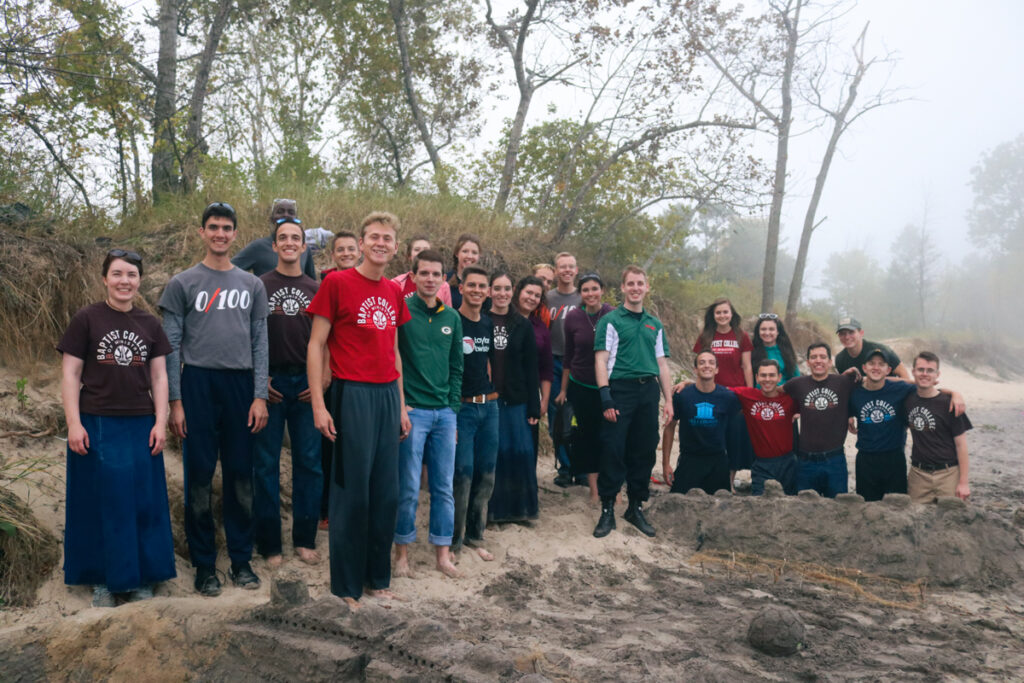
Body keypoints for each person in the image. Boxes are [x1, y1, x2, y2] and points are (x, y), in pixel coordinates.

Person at [159, 201, 269, 596]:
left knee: (241, 476)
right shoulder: (182, 283)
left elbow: (260, 342)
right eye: (213, 227)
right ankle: (204, 564)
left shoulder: (251, 285)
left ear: (235, 234)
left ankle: (241, 559)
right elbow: (170, 346)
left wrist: (260, 395)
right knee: (199, 477)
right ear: (202, 232)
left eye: (226, 228)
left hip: (240, 385)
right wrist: (175, 401)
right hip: (197, 384)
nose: (220, 234)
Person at [306, 211, 412, 609]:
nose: (381, 243)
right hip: (351, 394)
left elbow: (394, 350)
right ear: (362, 243)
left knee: (385, 494)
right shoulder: (337, 283)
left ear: (395, 247)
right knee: (351, 495)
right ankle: (346, 588)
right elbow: (316, 344)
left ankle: (376, 580)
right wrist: (319, 405)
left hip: (387, 396)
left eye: (388, 238)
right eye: (374, 237)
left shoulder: (394, 291)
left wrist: (401, 404)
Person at [59, 249, 175, 607]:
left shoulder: (150, 323)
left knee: (143, 501)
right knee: (102, 501)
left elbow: (159, 376)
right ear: (105, 279)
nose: (125, 281)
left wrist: (160, 422)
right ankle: (105, 580)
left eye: (131, 275)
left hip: (141, 423)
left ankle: (142, 578)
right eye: (118, 274)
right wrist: (74, 423)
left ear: (139, 281)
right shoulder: (87, 318)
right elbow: (70, 373)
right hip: (97, 422)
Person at [252, 218, 322, 567]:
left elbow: (327, 340)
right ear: (275, 245)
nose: (290, 242)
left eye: (296, 237)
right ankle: (270, 545)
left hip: (306, 385)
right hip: (271, 383)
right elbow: (248, 336)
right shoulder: (259, 286)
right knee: (265, 465)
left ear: (304, 246)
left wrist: (321, 380)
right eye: (284, 238)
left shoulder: (316, 288)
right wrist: (258, 381)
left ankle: (304, 539)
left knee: (309, 462)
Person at [393, 249, 463, 579]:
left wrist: (453, 408)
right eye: (424, 273)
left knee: (443, 488)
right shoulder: (402, 309)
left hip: (444, 414)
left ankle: (442, 555)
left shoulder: (452, 318)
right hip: (414, 412)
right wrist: (402, 405)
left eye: (436, 274)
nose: (430, 279)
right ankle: (402, 555)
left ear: (444, 279)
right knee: (408, 488)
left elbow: (457, 367)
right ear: (413, 276)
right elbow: (393, 358)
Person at [593, 265, 673, 539]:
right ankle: (607, 509)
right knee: (613, 448)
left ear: (647, 287)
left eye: (640, 283)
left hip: (648, 392)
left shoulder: (654, 324)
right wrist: (606, 397)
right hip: (620, 390)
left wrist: (668, 400)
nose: (636, 288)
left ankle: (635, 506)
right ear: (623, 288)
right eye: (631, 283)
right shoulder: (610, 321)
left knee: (644, 449)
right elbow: (601, 360)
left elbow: (662, 364)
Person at [451, 265, 499, 561]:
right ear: (461, 288)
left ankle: (475, 535)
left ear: (488, 291)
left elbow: (489, 362)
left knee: (486, 474)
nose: (477, 290)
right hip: (462, 408)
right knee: (462, 474)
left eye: (482, 286)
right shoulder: (451, 320)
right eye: (472, 285)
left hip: (489, 407)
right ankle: (454, 541)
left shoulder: (488, 324)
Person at [487, 272, 541, 524]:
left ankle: (521, 511)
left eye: (507, 288)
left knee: (519, 453)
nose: (502, 293)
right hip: (487, 399)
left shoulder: (522, 324)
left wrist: (534, 405)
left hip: (516, 400)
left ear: (513, 292)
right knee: (494, 454)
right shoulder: (480, 319)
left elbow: (532, 368)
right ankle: (493, 512)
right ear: (489, 291)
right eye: (497, 288)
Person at [555, 273, 614, 504]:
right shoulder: (573, 317)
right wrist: (563, 390)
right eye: (586, 290)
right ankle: (594, 491)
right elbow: (568, 356)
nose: (591, 294)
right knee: (587, 438)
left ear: (602, 290)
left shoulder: (612, 315)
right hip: (580, 385)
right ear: (580, 293)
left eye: (594, 289)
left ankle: (614, 490)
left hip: (608, 387)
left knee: (610, 438)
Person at [318, 230, 359, 529]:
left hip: (360, 379)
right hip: (333, 377)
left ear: (360, 251)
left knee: (353, 447)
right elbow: (322, 336)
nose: (346, 253)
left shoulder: (368, 283)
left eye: (350, 248)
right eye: (340, 249)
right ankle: (326, 510)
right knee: (329, 447)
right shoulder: (328, 283)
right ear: (333, 255)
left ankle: (350, 507)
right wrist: (325, 368)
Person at [783, 343, 859, 498]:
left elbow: (874, 383)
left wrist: (851, 414)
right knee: (806, 507)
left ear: (830, 362)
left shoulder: (844, 381)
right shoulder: (797, 383)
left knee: (838, 506)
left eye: (823, 357)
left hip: (835, 460)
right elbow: (774, 391)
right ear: (808, 362)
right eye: (814, 357)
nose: (818, 360)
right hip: (806, 461)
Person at [661, 351, 740, 496]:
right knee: (680, 503)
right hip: (689, 459)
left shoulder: (728, 397)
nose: (707, 366)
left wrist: (732, 469)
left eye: (711, 363)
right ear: (695, 369)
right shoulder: (682, 395)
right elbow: (670, 427)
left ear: (717, 369)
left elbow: (734, 433)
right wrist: (665, 464)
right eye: (702, 363)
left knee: (720, 505)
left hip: (718, 461)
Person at [694, 298, 754, 485]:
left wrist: (750, 393)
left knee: (733, 437)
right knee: (711, 435)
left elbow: (747, 366)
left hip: (735, 395)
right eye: (718, 312)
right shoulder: (706, 336)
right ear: (713, 315)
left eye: (725, 312)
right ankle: (709, 477)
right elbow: (699, 364)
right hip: (711, 393)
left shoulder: (741, 336)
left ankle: (729, 481)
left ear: (732, 314)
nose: (722, 315)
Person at [904, 352, 972, 503]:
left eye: (930, 370)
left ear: (937, 374)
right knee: (915, 515)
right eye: (920, 369)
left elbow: (961, 445)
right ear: (913, 371)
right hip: (918, 475)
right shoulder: (908, 400)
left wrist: (963, 483)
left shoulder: (950, 403)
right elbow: (889, 380)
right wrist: (864, 378)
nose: (925, 374)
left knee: (952, 515)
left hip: (948, 474)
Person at [731, 360, 798, 495]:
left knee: (790, 503)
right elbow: (718, 390)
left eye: (772, 375)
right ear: (757, 378)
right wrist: (691, 384)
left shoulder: (790, 398)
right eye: (763, 375)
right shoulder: (747, 395)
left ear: (779, 377)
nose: (767, 379)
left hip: (788, 463)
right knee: (760, 504)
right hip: (761, 464)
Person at [546, 252, 581, 488]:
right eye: (562, 267)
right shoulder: (548, 298)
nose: (567, 270)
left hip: (579, 363)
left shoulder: (582, 297)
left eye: (571, 266)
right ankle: (565, 468)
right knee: (557, 416)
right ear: (556, 271)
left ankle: (583, 467)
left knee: (579, 417)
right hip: (553, 361)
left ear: (576, 270)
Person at [231, 198, 318, 279]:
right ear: (272, 219)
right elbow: (229, 271)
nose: (286, 215)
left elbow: (311, 281)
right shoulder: (258, 247)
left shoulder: (304, 249)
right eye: (280, 212)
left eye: (291, 212)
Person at [517, 275, 553, 460]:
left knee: (528, 445)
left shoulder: (540, 328)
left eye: (537, 295)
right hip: (504, 395)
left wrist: (544, 399)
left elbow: (546, 368)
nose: (532, 298)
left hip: (530, 395)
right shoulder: (503, 320)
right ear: (518, 292)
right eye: (528, 292)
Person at [834, 317, 910, 380]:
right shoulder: (840, 359)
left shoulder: (883, 350)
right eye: (842, 334)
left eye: (851, 332)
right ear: (839, 336)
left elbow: (905, 377)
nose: (847, 337)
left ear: (861, 333)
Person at [392, 235, 452, 305]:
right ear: (409, 255)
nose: (421, 253)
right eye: (417, 249)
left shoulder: (443, 286)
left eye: (426, 250)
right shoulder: (396, 283)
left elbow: (447, 310)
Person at [751, 314, 800, 384]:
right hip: (757, 390)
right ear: (758, 331)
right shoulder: (751, 351)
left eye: (771, 329)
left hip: (783, 390)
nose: (767, 333)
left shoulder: (786, 352)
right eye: (763, 329)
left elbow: (797, 379)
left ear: (778, 332)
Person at [446, 233, 481, 309]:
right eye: (465, 251)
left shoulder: (483, 284)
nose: (470, 256)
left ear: (479, 256)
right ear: (456, 253)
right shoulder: (445, 281)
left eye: (474, 253)